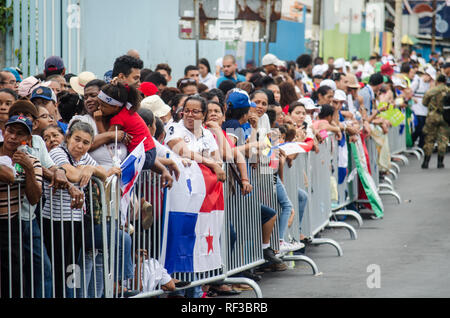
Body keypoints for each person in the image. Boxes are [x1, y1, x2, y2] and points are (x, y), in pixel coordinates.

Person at [0, 115, 43, 298]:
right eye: (10, 131)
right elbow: (8, 176)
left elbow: (34, 198)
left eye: (19, 134)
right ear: (4, 131)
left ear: (28, 139)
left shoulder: (32, 161)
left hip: (10, 226)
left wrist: (29, 171)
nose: (13, 137)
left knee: (12, 279)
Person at [421, 75, 450, 169]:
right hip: (445, 116)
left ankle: (426, 161)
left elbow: (424, 102)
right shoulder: (448, 90)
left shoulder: (432, 91)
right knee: (443, 139)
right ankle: (440, 162)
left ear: (437, 81)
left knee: (429, 138)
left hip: (432, 116)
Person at [411, 67, 436, 149]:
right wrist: (412, 99)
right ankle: (411, 142)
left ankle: (421, 146)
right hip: (416, 109)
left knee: (424, 130)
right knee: (418, 128)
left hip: (425, 110)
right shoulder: (417, 81)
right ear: (426, 75)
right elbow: (410, 92)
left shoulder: (430, 84)